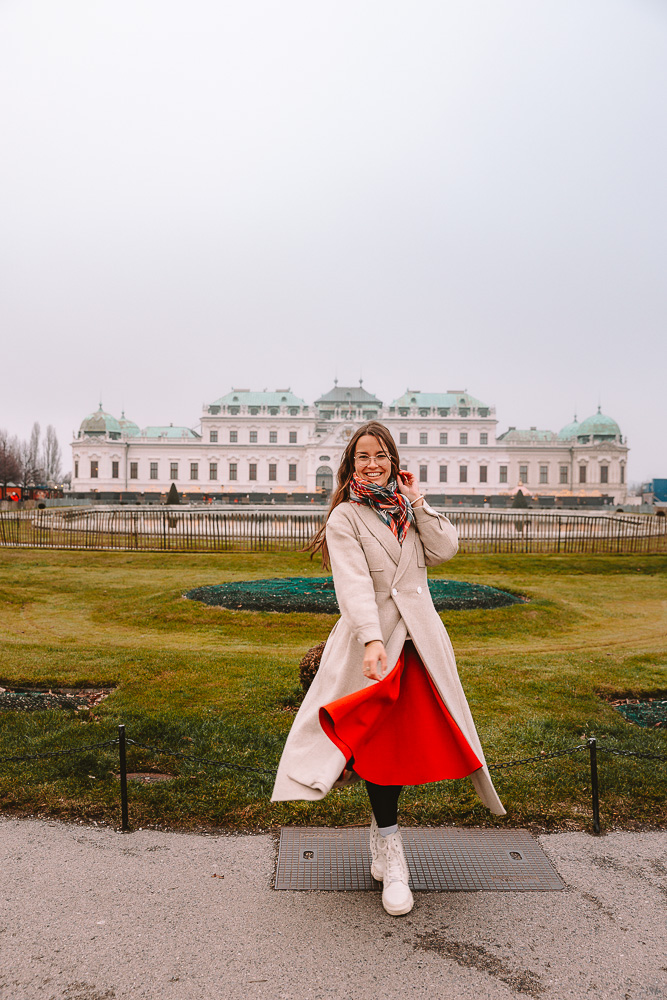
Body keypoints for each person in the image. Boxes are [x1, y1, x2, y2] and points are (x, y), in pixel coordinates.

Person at [272, 421, 505, 915]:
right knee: (377, 748)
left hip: (419, 644)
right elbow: (354, 586)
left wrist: (418, 502)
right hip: (375, 645)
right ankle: (393, 855)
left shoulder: (408, 511)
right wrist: (372, 641)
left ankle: (383, 840)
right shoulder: (345, 519)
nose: (372, 464)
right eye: (362, 457)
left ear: (394, 461)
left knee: (404, 746)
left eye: (380, 455)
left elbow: (446, 549)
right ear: (350, 465)